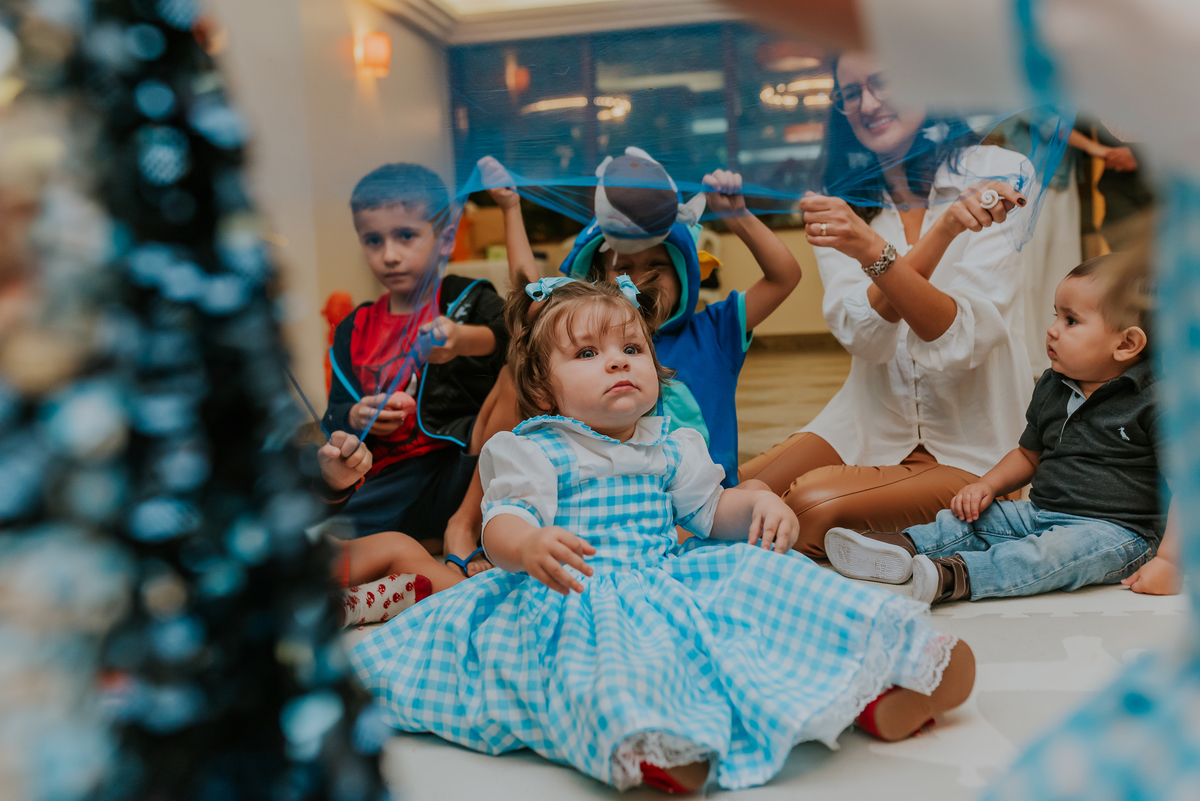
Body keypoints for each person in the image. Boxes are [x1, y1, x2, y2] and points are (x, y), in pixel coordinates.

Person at [349, 278, 975, 794]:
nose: (618, 361)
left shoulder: (670, 444)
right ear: (542, 389)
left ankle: (886, 671)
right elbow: (503, 521)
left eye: (632, 348)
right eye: (587, 354)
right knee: (612, 661)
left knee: (773, 589)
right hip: (575, 590)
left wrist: (757, 504)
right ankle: (652, 742)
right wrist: (528, 547)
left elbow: (711, 511)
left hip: (671, 573)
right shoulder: (531, 450)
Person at [738, 51, 1033, 558]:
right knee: (720, 492)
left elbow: (962, 340)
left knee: (808, 506)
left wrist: (877, 253)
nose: (868, 103)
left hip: (975, 448)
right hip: (866, 423)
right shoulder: (837, 199)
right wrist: (933, 236)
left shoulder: (1000, 176)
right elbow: (864, 337)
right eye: (850, 94)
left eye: (883, 83)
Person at [824, 254, 1179, 602]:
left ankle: (956, 575)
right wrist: (987, 485)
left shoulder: (1157, 402)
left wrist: (1168, 560)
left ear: (1126, 344)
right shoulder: (1054, 384)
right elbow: (1028, 454)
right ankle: (904, 547)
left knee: (1052, 554)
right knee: (974, 520)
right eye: (1056, 315)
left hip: (1118, 535)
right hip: (1038, 514)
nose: (1052, 329)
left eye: (1071, 321)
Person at [555, 148, 803, 488]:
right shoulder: (585, 350)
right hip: (623, 511)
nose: (641, 280)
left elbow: (784, 276)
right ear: (597, 279)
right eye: (624, 267)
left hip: (713, 513)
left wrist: (738, 216)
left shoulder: (715, 332)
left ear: (684, 272)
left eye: (657, 266)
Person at [322, 163, 510, 574]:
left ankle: (456, 529)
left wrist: (463, 339)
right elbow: (333, 413)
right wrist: (354, 416)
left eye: (406, 235)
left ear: (444, 240)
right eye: (373, 240)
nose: (389, 255)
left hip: (462, 470)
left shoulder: (466, 297)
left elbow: (513, 338)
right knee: (316, 527)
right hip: (389, 477)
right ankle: (423, 537)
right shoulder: (353, 328)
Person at [311, 429, 466, 626]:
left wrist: (331, 484)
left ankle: (491, 609)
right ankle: (343, 605)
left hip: (306, 562)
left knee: (397, 545)